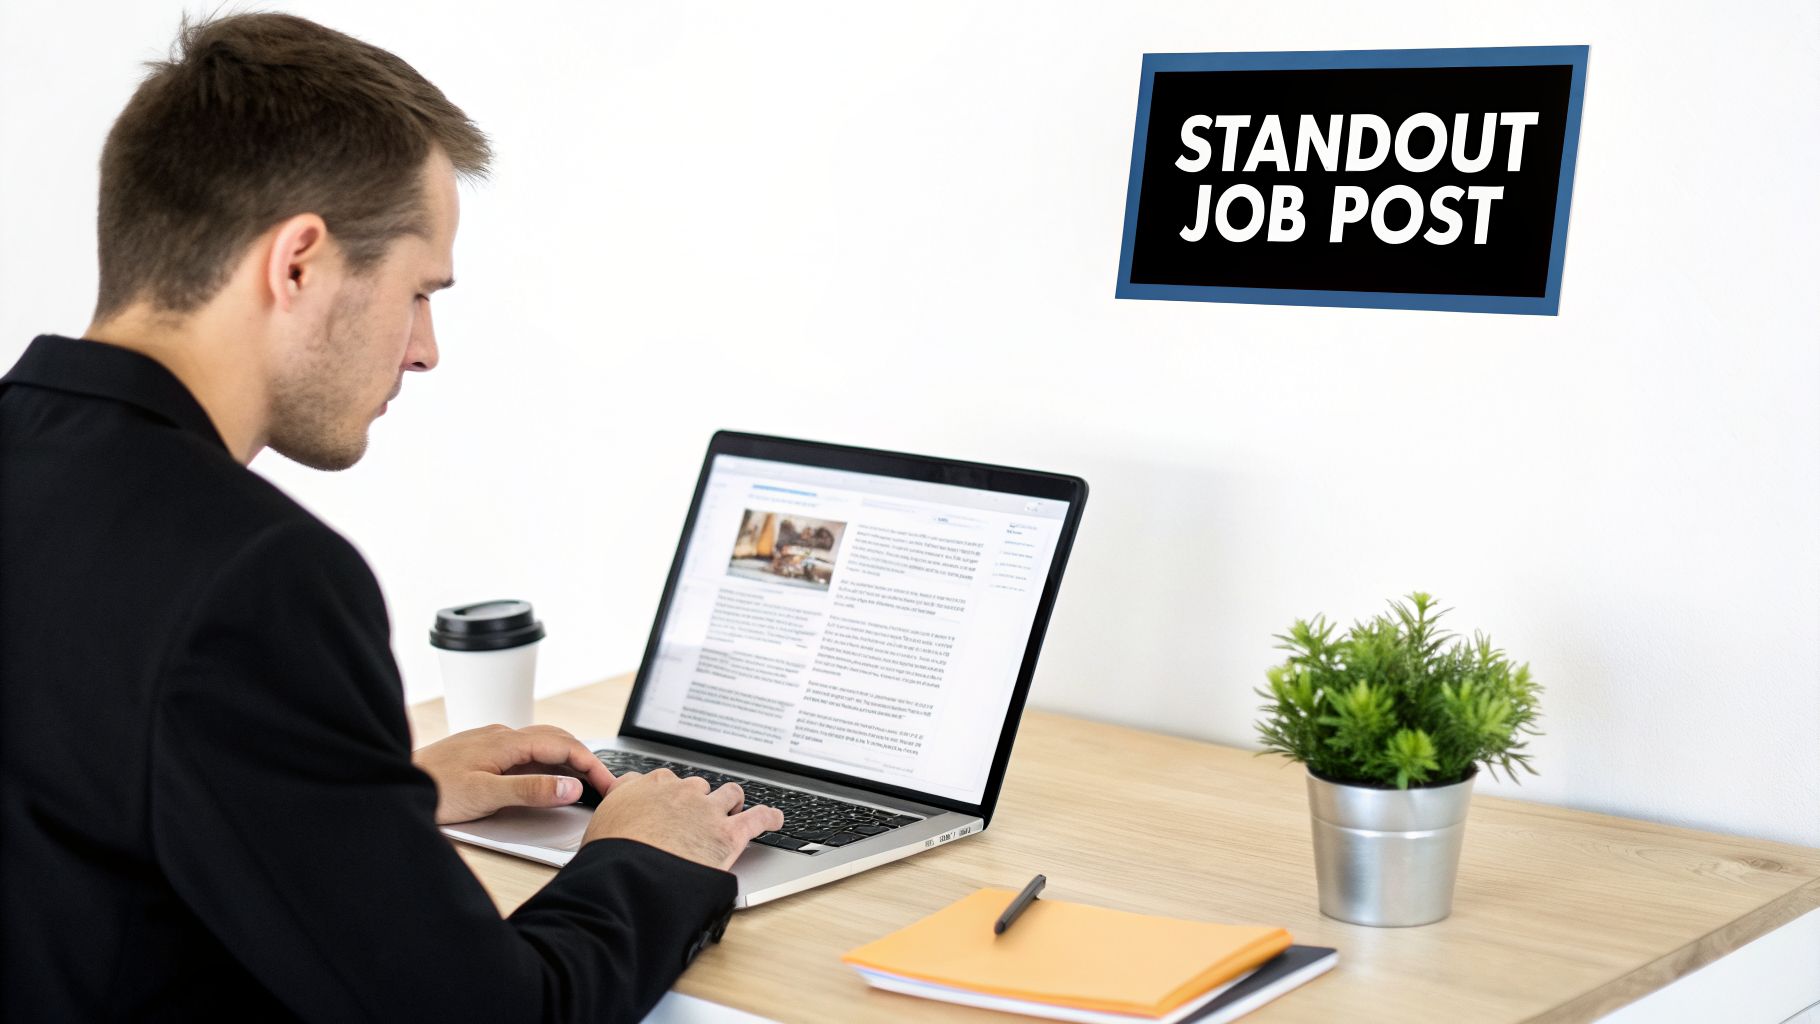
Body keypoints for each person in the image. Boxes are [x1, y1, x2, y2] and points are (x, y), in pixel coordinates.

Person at [0, 12, 783, 1022]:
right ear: (298, 263)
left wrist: (357, 802)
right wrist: (644, 858)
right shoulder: (255, 576)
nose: (424, 350)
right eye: (417, 292)